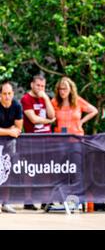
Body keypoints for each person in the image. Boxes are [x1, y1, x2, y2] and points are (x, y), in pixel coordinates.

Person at [20, 74, 56, 211]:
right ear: (32, 85)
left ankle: (45, 200)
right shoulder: (26, 99)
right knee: (31, 171)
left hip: (47, 139)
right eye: (38, 85)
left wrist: (46, 98)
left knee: (47, 171)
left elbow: (52, 115)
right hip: (32, 139)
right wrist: (48, 122)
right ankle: (28, 201)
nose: (40, 88)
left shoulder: (45, 98)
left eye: (43, 86)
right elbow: (34, 119)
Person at [0, 81, 22, 213]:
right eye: (4, 94)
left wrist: (4, 131)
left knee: (7, 173)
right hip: (6, 137)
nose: (7, 96)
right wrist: (9, 131)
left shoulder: (17, 105)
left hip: (9, 143)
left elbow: (18, 128)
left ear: (13, 94)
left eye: (9, 93)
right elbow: (13, 130)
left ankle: (5, 203)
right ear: (0, 95)